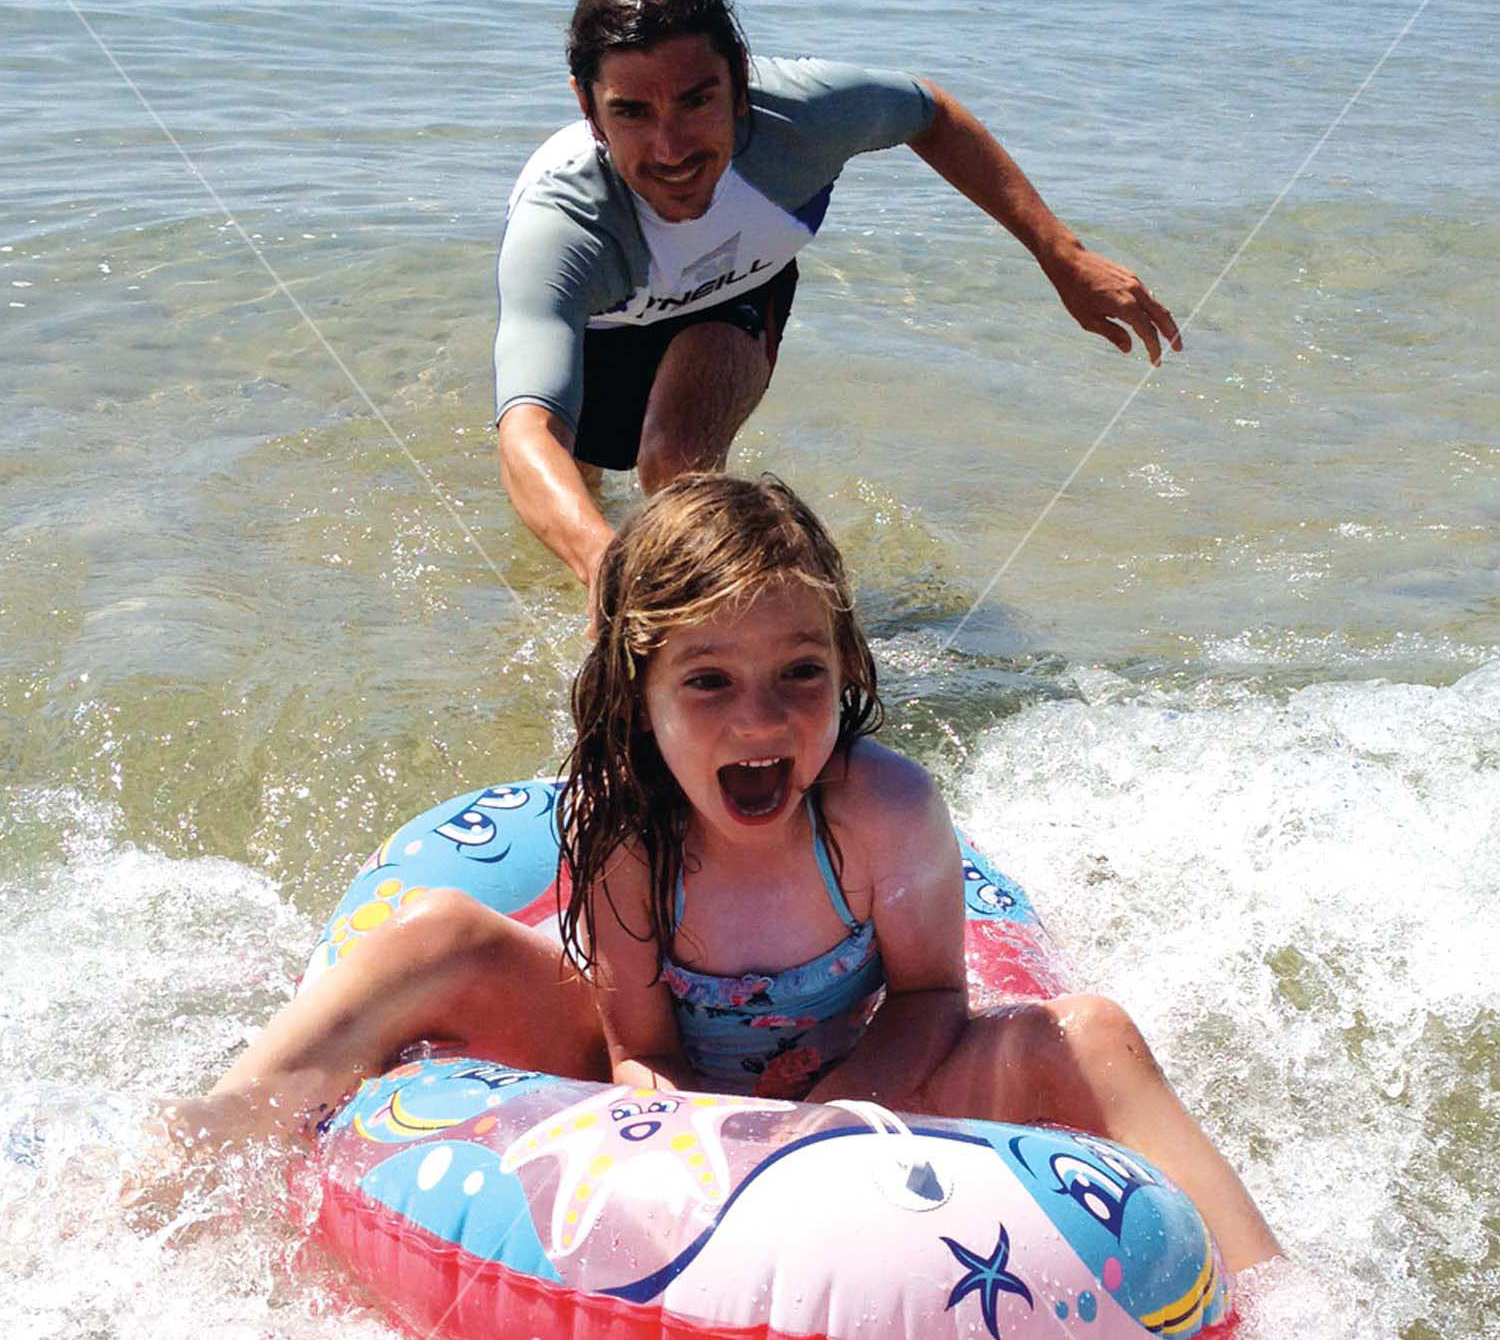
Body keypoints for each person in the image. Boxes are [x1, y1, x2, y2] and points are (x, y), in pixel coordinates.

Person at [143, 474, 1277, 1279]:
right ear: (639, 692)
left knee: (1093, 1035)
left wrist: (834, 1114)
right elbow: (638, 1040)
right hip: (677, 1076)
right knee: (434, 937)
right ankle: (185, 1149)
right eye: (709, 681)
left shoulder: (886, 814)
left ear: (849, 670)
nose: (764, 717)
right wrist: (682, 1122)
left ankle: (1289, 1325)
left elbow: (936, 1000)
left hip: (860, 1067)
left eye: (800, 671)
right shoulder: (624, 838)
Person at [494, 0, 1184, 609]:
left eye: (697, 100)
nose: (672, 149)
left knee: (676, 471)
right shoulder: (563, 226)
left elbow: (931, 114)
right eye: (632, 113)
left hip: (736, 294)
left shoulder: (806, 117)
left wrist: (1059, 253)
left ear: (738, 78)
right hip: (603, 335)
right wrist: (597, 560)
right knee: (583, 510)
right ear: (587, 106)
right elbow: (529, 427)